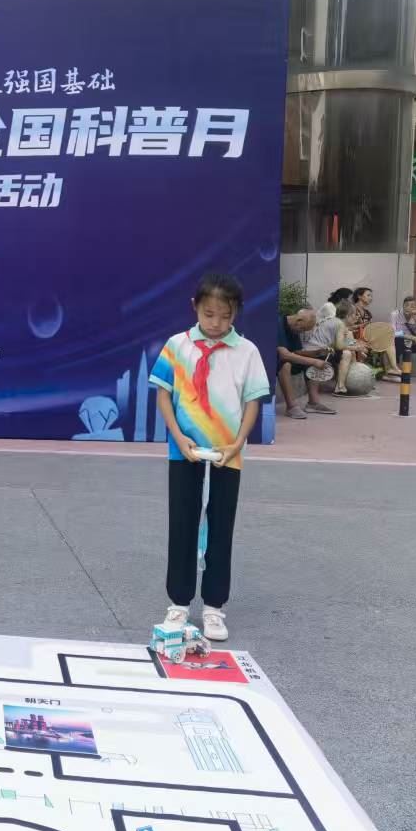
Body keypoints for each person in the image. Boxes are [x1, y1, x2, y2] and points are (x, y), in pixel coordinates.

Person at [150, 273, 269, 643]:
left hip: (226, 453)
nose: (216, 323)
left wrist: (238, 442)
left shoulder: (247, 352)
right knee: (182, 523)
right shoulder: (177, 345)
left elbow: (253, 401)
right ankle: (179, 603)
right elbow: (163, 394)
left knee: (221, 526)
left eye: (225, 316)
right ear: (195, 307)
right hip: (183, 450)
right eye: (209, 314)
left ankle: (215, 607)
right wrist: (178, 436)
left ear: (236, 313)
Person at [276, 307, 337, 419]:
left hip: (285, 358)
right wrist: (314, 361)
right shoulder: (278, 323)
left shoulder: (294, 327)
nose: (302, 332)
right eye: (303, 329)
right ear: (299, 321)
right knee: (285, 364)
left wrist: (318, 353)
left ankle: (313, 403)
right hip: (270, 361)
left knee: (314, 360)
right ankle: (291, 406)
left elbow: (297, 352)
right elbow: (284, 355)